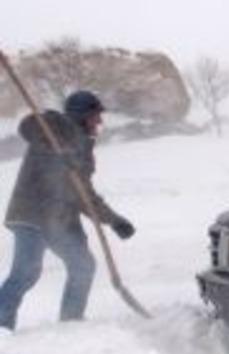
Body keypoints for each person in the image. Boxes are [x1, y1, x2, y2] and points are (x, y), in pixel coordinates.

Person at [0, 90, 135, 331]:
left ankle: (70, 323)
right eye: (95, 116)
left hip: (59, 221)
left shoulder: (84, 150)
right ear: (81, 115)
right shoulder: (54, 125)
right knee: (27, 271)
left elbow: (85, 197)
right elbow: (27, 126)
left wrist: (114, 221)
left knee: (83, 265)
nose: (100, 122)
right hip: (32, 213)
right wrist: (59, 146)